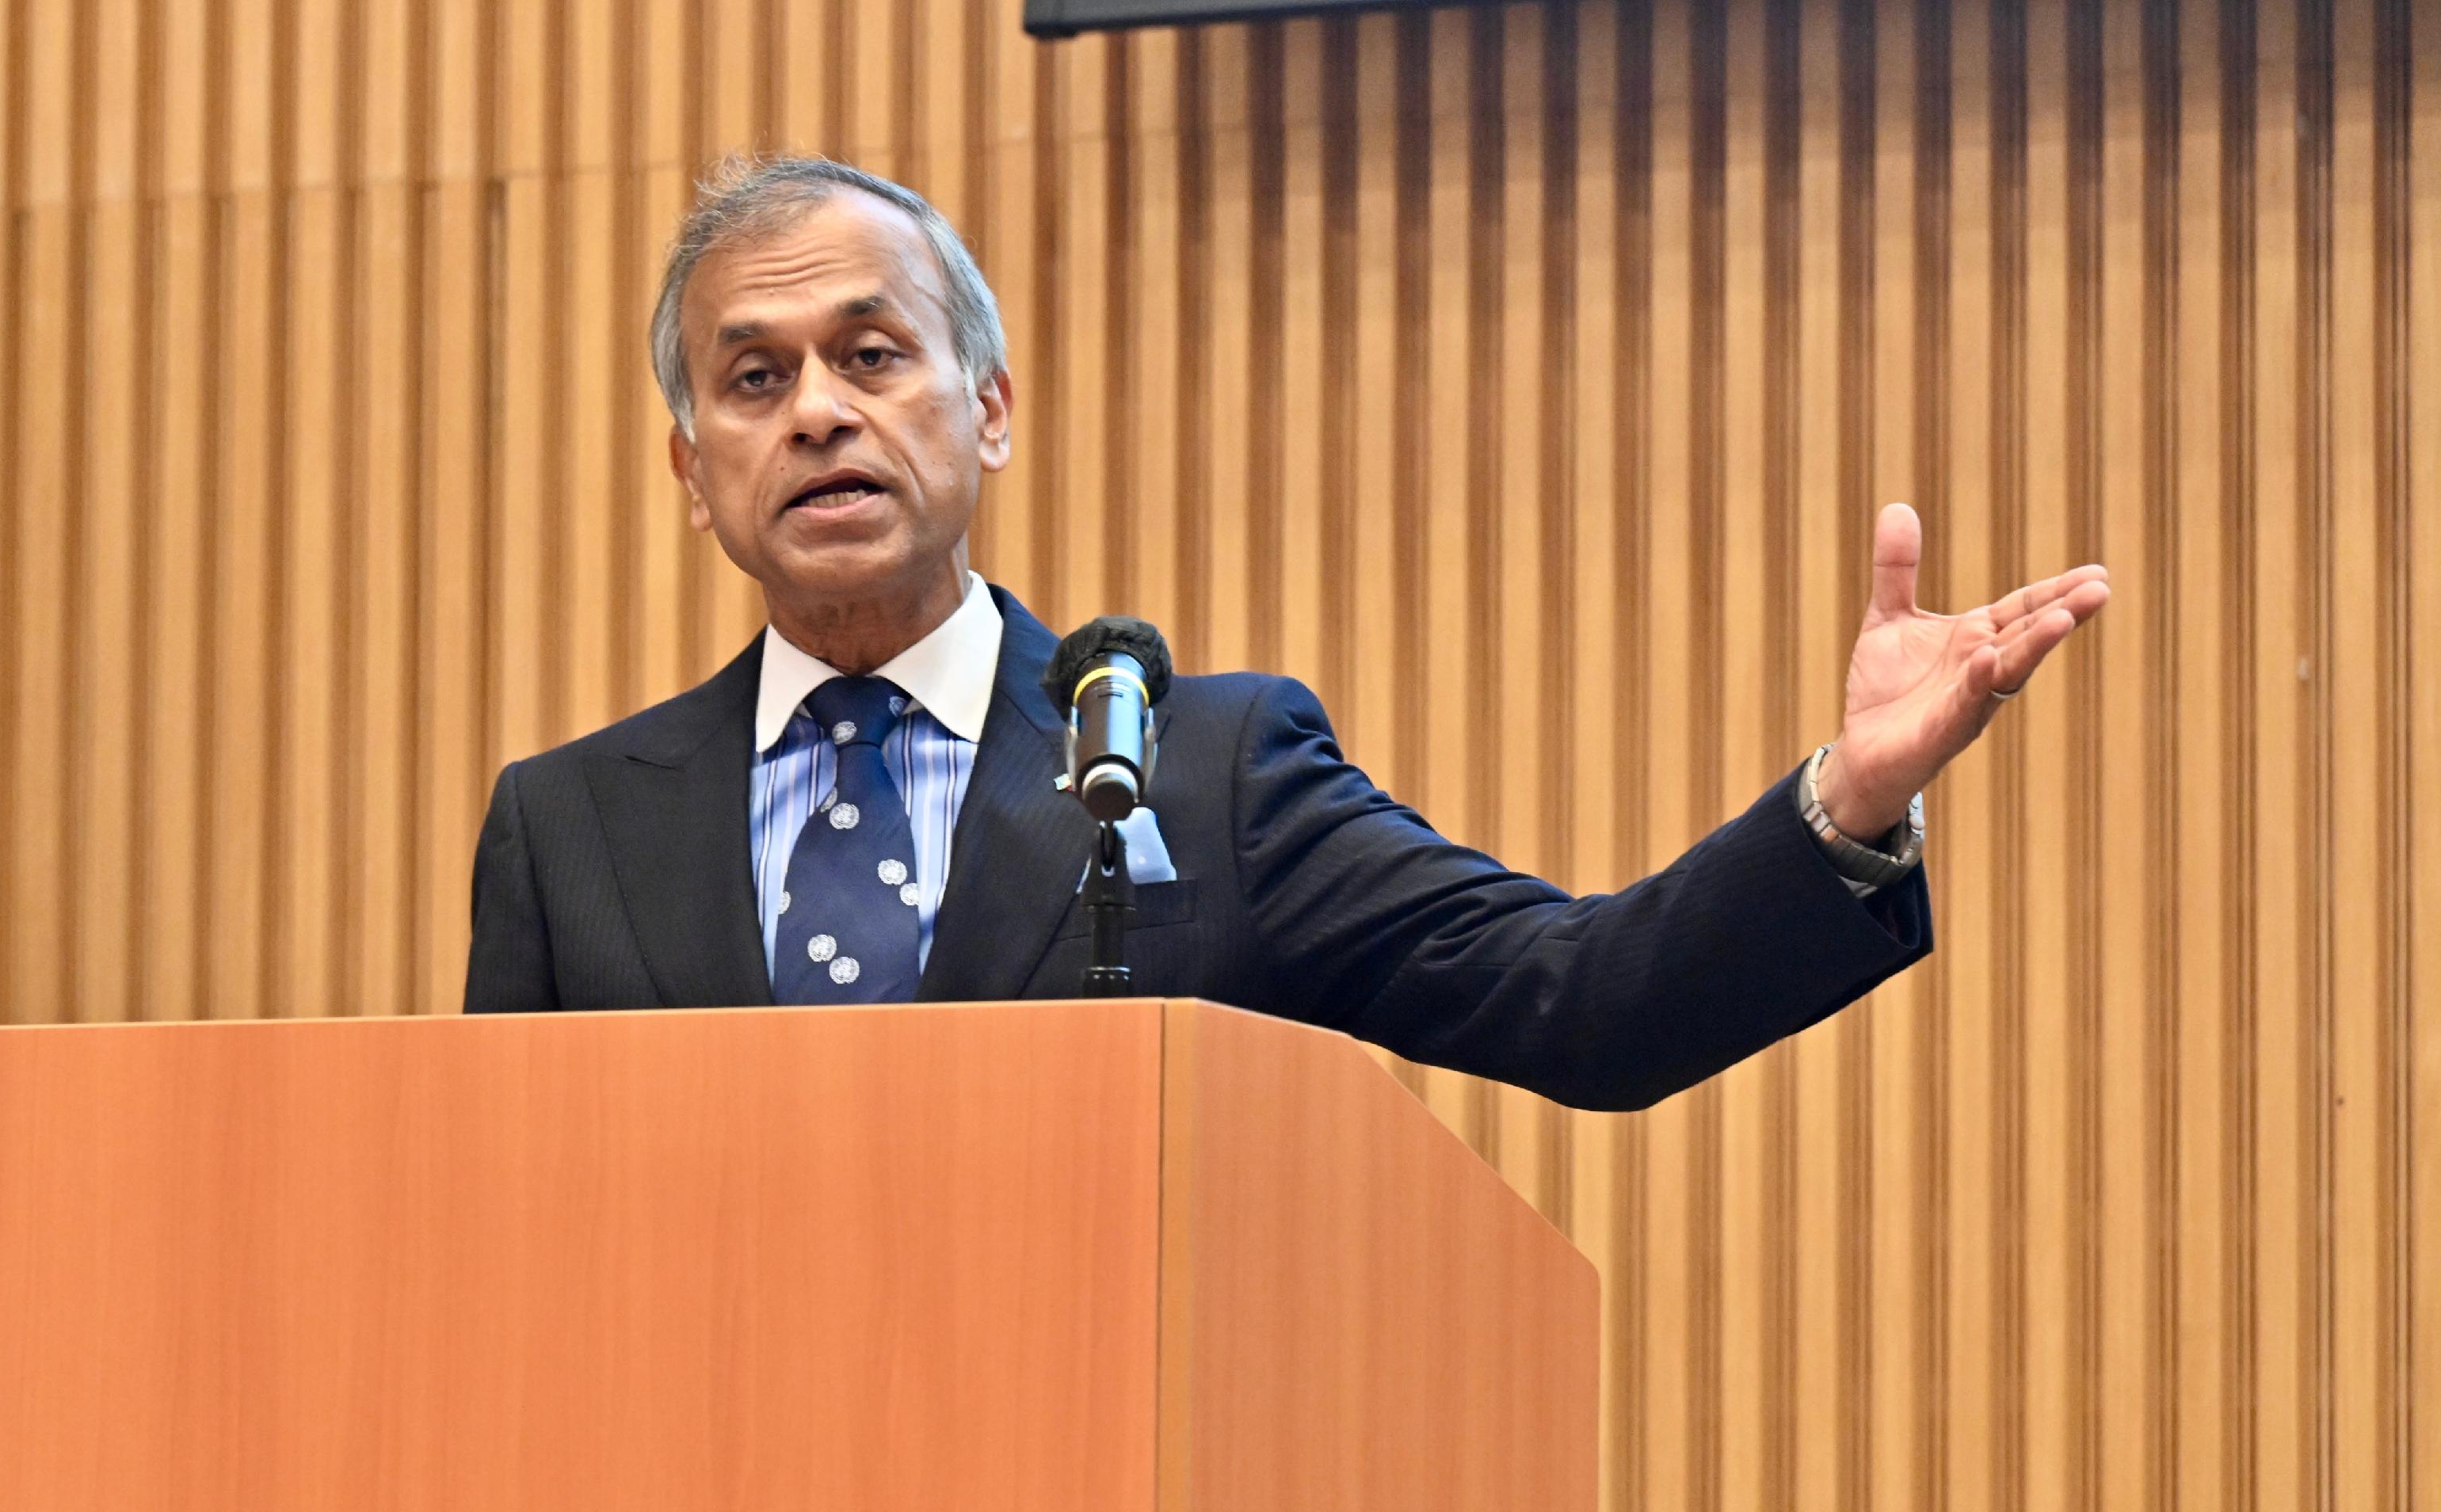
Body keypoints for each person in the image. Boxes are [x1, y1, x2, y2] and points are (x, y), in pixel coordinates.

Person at [461, 156, 2108, 1110]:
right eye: (754, 379)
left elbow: (1580, 1004)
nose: (817, 411)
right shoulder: (574, 824)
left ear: (988, 405)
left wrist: (1843, 804)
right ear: (692, 471)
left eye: (872, 354)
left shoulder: (1198, 766)